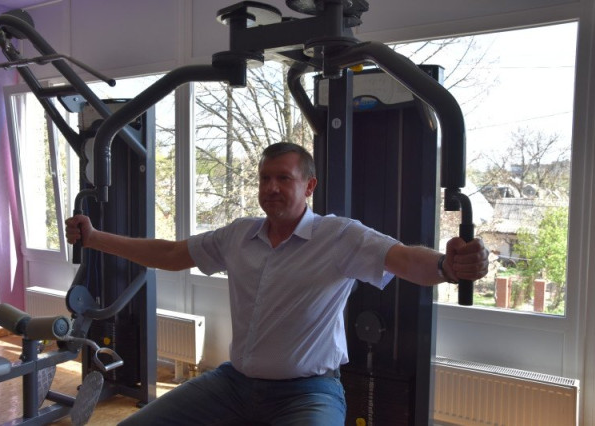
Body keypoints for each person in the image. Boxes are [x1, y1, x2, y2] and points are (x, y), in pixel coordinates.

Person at [66, 142, 489, 426]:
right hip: (233, 384)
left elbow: (404, 260)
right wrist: (95, 238)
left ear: (309, 186)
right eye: (265, 178)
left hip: (308, 392)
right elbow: (172, 254)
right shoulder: (238, 234)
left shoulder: (339, 236)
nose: (271, 188)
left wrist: (448, 266)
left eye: (284, 178)